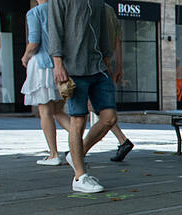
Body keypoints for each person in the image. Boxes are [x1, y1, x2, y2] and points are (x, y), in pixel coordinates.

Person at [49, 0, 116, 193]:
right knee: (78, 120)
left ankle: (76, 154)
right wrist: (58, 64)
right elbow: (55, 30)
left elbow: (103, 32)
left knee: (110, 118)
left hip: (98, 68)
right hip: (73, 68)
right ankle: (79, 176)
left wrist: (107, 63)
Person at [20, 0, 71, 166]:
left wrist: (25, 57)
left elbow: (34, 42)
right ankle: (81, 145)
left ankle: (53, 154)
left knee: (45, 112)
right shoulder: (62, 10)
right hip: (61, 65)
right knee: (58, 110)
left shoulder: (34, 13)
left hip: (42, 66)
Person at [102, 4, 133, 162]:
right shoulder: (109, 10)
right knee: (98, 107)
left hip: (92, 65)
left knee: (92, 107)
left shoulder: (90, 7)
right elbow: (118, 41)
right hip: (106, 64)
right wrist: (119, 67)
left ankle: (79, 147)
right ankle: (122, 140)